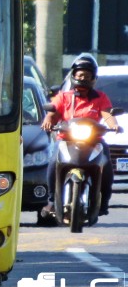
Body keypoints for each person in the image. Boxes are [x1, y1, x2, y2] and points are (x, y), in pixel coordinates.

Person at [41, 53, 117, 216]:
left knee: (107, 166)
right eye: (80, 75)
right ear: (73, 75)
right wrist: (48, 121)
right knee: (53, 162)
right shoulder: (64, 96)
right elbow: (53, 112)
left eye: (87, 75)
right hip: (65, 140)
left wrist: (114, 125)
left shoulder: (101, 97)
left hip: (94, 142)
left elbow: (107, 115)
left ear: (93, 78)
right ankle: (52, 201)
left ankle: (104, 202)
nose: (83, 78)